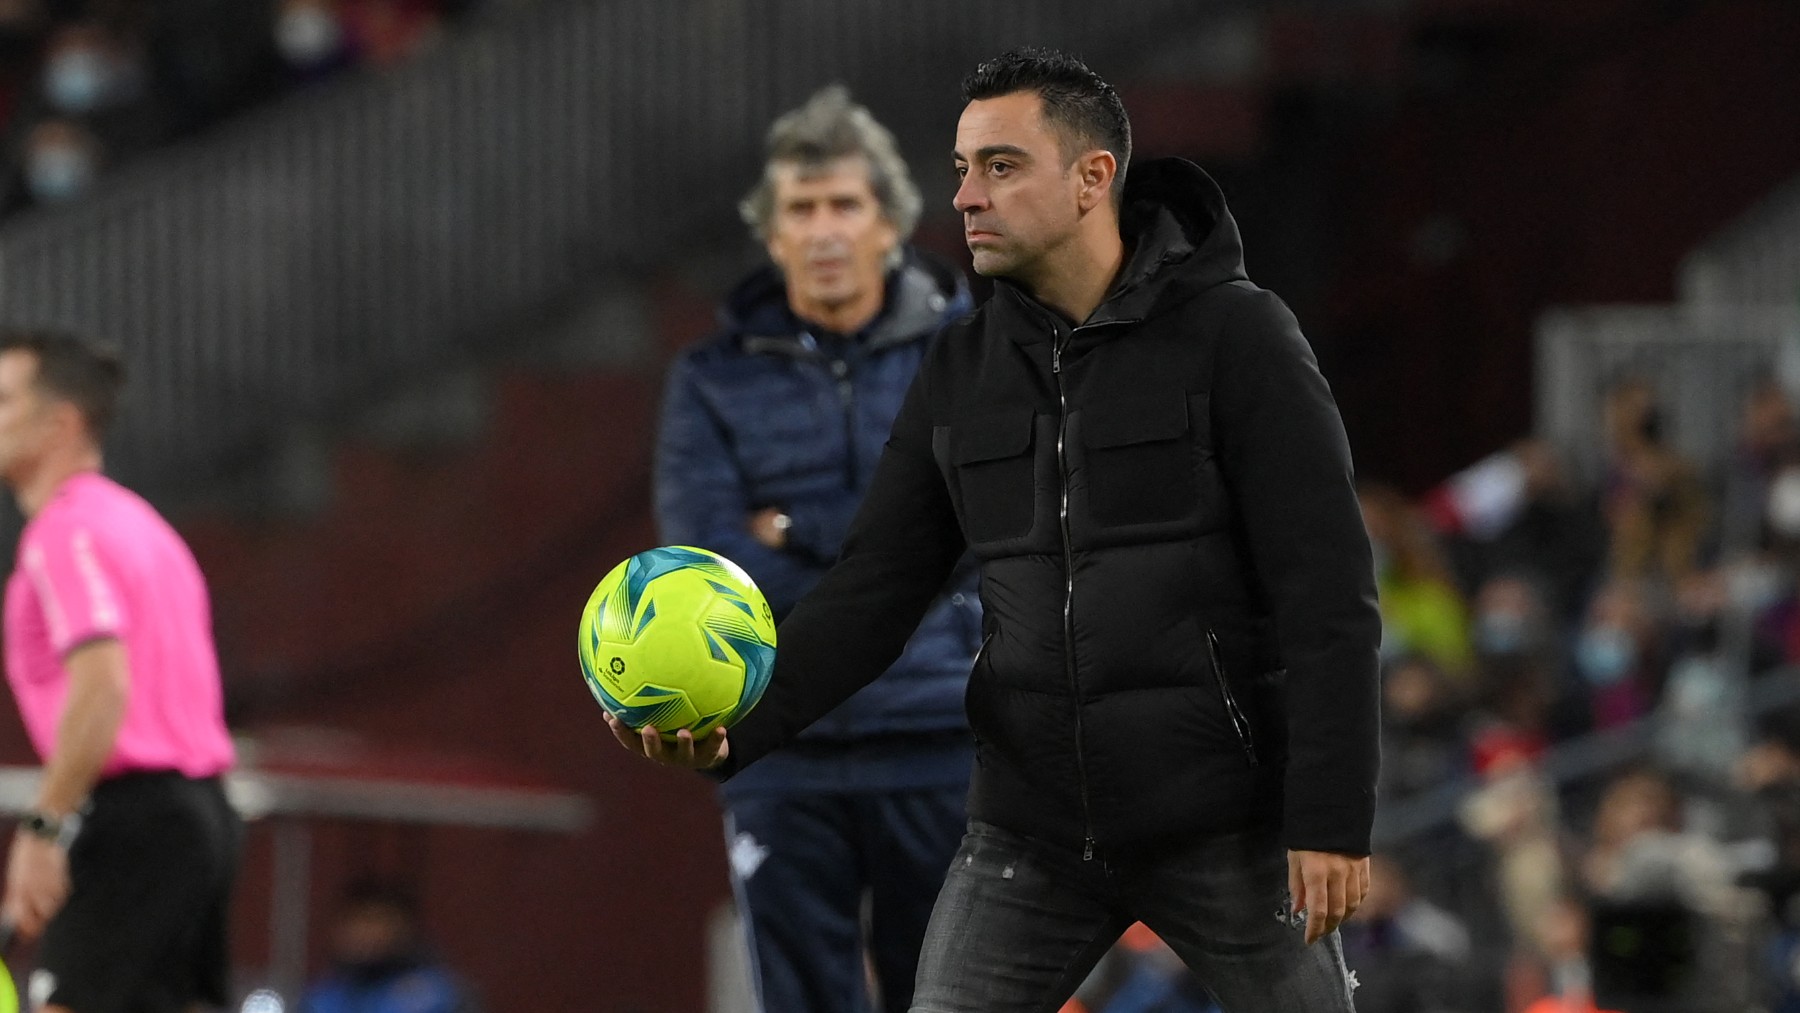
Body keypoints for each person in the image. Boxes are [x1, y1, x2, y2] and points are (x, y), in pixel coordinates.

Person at [614, 49, 1378, 1012]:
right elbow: (873, 589)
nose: (967, 197)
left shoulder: (1241, 337)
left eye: (1002, 166)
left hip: (1225, 824)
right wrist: (733, 732)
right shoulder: (959, 367)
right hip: (1030, 834)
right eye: (963, 169)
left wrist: (1331, 814)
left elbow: (1328, 591)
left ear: (1094, 178)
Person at [653, 85, 981, 1013]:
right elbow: (707, 562)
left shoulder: (968, 349)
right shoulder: (710, 379)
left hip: (942, 734)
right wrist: (902, 540)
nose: (826, 228)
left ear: (890, 223)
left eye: (846, 204)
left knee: (953, 999)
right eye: (803, 208)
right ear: (773, 233)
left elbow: (984, 526)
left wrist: (793, 528)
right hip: (778, 739)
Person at [0, 331, 240, 1013]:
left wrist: (44, 827)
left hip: (136, 821)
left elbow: (103, 686)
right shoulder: (148, 529)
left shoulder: (63, 533)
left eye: (2, 399)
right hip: (207, 815)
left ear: (62, 422)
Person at [301, 878, 481, 1013]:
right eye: (357, 923)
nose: (365, 934)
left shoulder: (438, 994)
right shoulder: (323, 996)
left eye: (377, 922)